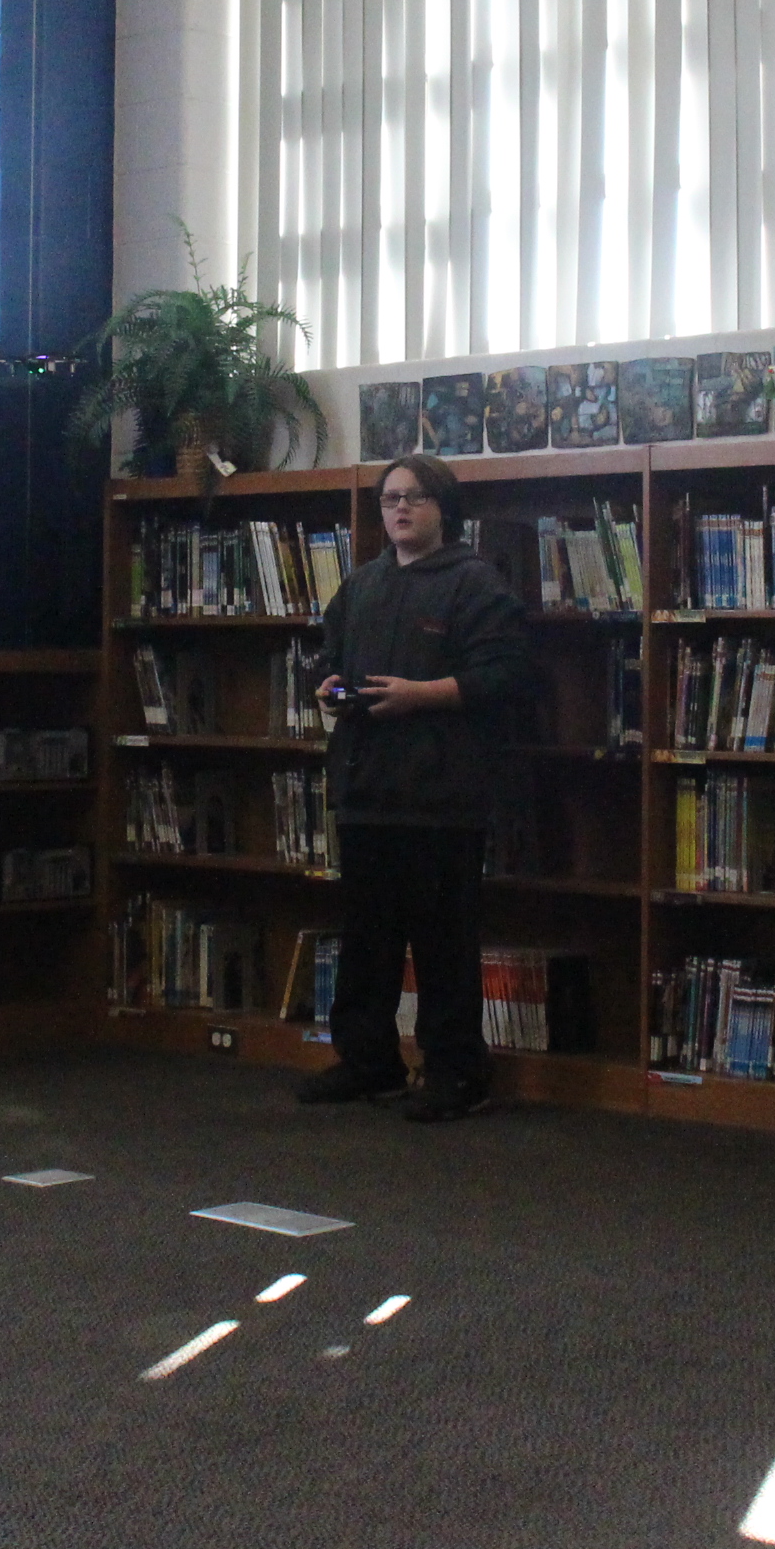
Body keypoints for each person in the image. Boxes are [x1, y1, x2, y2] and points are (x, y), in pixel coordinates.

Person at [293, 452, 534, 1123]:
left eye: (416, 498)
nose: (401, 509)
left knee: (442, 944)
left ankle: (457, 1073)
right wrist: (331, 689)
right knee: (365, 940)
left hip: (441, 798)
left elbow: (506, 677)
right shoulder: (363, 586)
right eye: (391, 499)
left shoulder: (475, 584)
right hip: (367, 788)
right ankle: (369, 1062)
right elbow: (329, 657)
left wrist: (422, 695)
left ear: (443, 509)